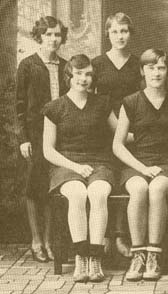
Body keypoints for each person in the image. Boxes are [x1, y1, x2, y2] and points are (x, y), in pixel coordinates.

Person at [113, 49, 168, 281]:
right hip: (139, 162)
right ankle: (138, 255)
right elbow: (118, 145)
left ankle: (154, 254)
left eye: (161, 67)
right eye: (151, 67)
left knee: (156, 189)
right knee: (138, 188)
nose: (156, 72)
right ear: (142, 71)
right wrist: (143, 168)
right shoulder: (131, 102)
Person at [42, 54, 116, 283]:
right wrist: (75, 166)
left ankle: (95, 258)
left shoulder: (103, 104)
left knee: (98, 192)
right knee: (76, 193)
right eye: (79, 74)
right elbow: (48, 150)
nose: (84, 79)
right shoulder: (54, 108)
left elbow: (122, 135)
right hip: (67, 165)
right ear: (69, 76)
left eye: (88, 74)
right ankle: (80, 257)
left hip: (99, 162)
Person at [16, 16, 68, 263]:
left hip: (61, 136)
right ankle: (36, 240)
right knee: (33, 186)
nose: (53, 39)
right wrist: (24, 138)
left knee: (52, 186)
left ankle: (49, 240)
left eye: (57, 35)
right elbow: (19, 105)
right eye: (48, 35)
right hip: (35, 135)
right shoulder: (28, 65)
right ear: (39, 37)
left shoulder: (66, 66)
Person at [92, 12, 141, 258]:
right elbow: (93, 100)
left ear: (130, 34)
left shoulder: (137, 64)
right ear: (107, 34)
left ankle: (121, 234)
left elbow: (142, 100)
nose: (120, 36)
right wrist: (114, 127)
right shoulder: (98, 64)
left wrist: (129, 132)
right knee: (106, 179)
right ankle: (104, 233)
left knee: (126, 179)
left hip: (132, 131)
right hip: (103, 130)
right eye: (115, 31)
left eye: (124, 31)